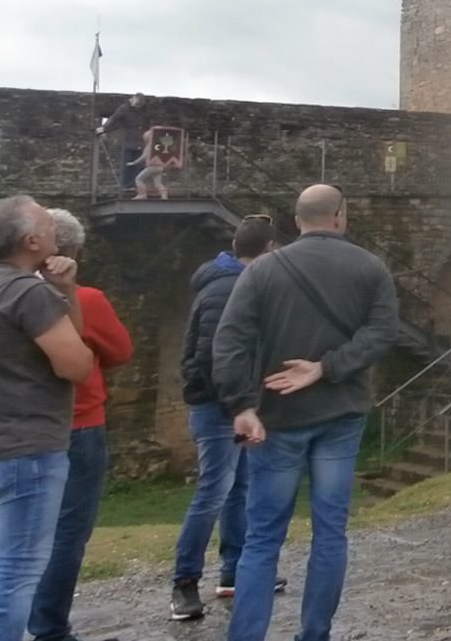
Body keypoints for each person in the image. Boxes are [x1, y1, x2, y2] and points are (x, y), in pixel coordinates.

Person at [212, 185, 398, 641]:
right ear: (340, 216)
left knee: (262, 538)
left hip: (278, 416)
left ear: (297, 221)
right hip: (342, 413)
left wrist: (241, 405)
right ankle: (315, 633)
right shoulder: (370, 267)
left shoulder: (262, 270)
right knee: (330, 532)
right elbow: (382, 332)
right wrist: (326, 367)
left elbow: (229, 341)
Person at [0, 195, 94, 641]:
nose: (55, 230)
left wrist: (66, 291)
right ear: (31, 240)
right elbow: (77, 364)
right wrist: (54, 293)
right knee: (17, 570)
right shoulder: (27, 292)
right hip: (28, 451)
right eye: (46, 224)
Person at [168, 215, 282, 623]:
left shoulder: (239, 283)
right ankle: (184, 581)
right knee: (213, 492)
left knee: (240, 488)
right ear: (268, 250)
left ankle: (234, 572)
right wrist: (237, 407)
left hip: (239, 405)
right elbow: (211, 357)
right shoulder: (226, 289)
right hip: (220, 409)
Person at [28, 210, 134, 641]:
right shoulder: (85, 300)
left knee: (11, 533)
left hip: (17, 429)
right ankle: (49, 626)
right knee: (67, 532)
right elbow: (121, 351)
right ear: (71, 251)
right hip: (79, 423)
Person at [94, 93, 146, 194]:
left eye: (140, 105)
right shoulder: (124, 109)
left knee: (137, 165)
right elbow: (114, 119)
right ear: (132, 99)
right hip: (127, 142)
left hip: (138, 142)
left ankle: (135, 186)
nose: (138, 106)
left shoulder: (141, 111)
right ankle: (126, 186)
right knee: (126, 164)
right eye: (137, 104)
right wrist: (103, 129)